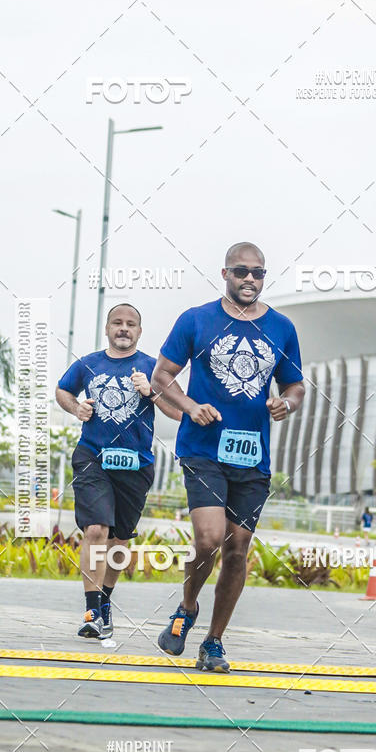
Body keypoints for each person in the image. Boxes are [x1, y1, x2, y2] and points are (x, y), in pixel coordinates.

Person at [151, 242, 305, 672]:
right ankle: (186, 608)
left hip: (252, 457)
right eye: (241, 272)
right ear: (225, 274)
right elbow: (162, 375)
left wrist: (286, 405)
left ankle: (213, 642)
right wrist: (189, 406)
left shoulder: (281, 328)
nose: (250, 280)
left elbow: (296, 387)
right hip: (203, 449)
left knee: (237, 548)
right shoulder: (197, 320)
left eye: (258, 272)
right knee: (209, 539)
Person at [56, 303, 181, 639]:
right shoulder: (88, 364)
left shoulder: (154, 369)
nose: (124, 329)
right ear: (108, 329)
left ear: (139, 331)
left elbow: (178, 413)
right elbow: (62, 391)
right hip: (92, 456)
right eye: (117, 323)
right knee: (96, 529)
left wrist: (150, 392)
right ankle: (91, 610)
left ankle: (105, 602)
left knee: (119, 539)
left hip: (136, 463)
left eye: (131, 324)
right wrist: (76, 406)